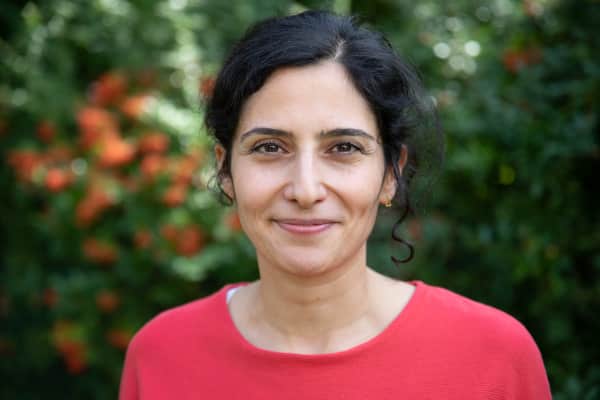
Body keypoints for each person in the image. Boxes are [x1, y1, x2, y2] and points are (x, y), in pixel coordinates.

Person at [119, 10, 551, 399]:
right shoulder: (160, 355)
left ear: (390, 173)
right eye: (269, 147)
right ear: (226, 169)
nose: (306, 190)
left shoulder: (494, 357)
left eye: (344, 147)